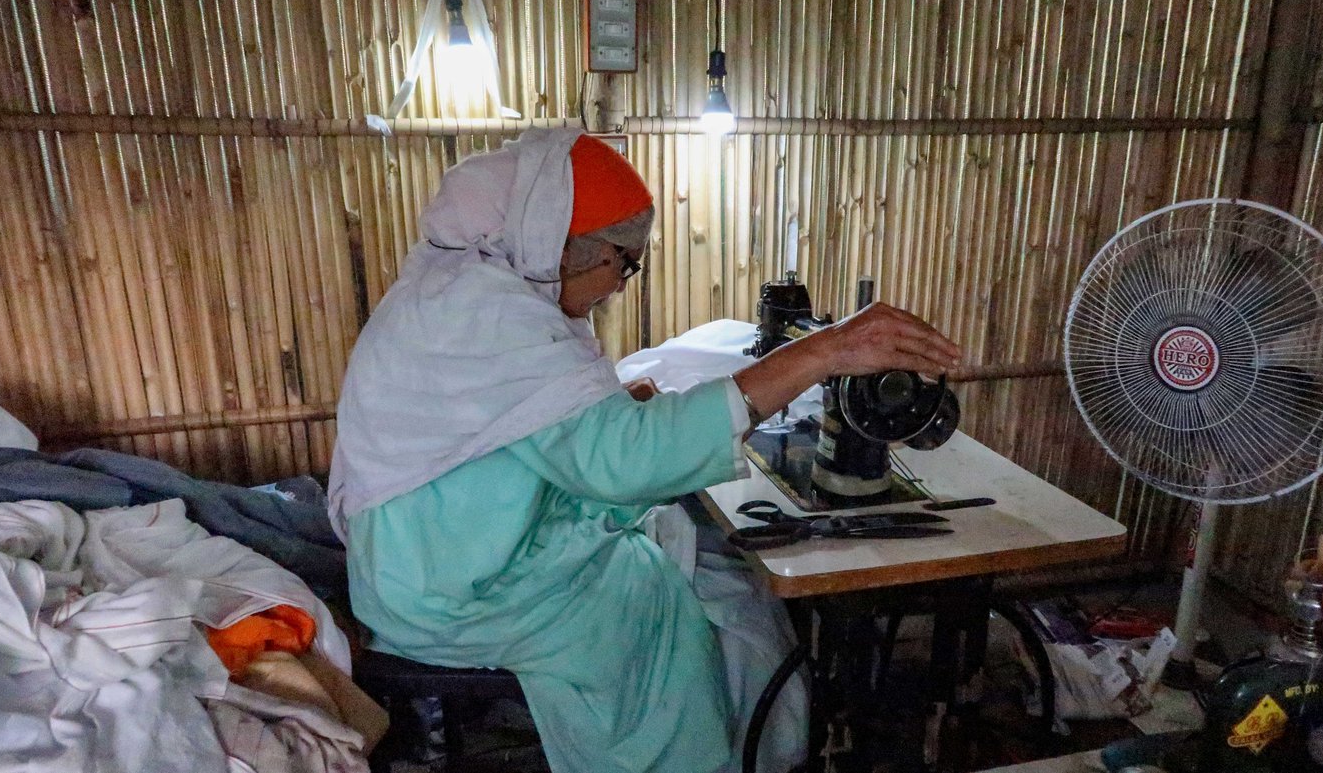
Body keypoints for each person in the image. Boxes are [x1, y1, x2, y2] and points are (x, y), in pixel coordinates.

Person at [328, 129, 961, 773]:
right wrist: (824, 352)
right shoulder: (488, 312)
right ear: (567, 246)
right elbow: (629, 464)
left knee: (702, 562)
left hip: (437, 549)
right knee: (660, 605)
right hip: (450, 588)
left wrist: (594, 413)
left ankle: (759, 741)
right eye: (623, 261)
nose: (621, 284)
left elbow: (499, 425)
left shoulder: (465, 284)